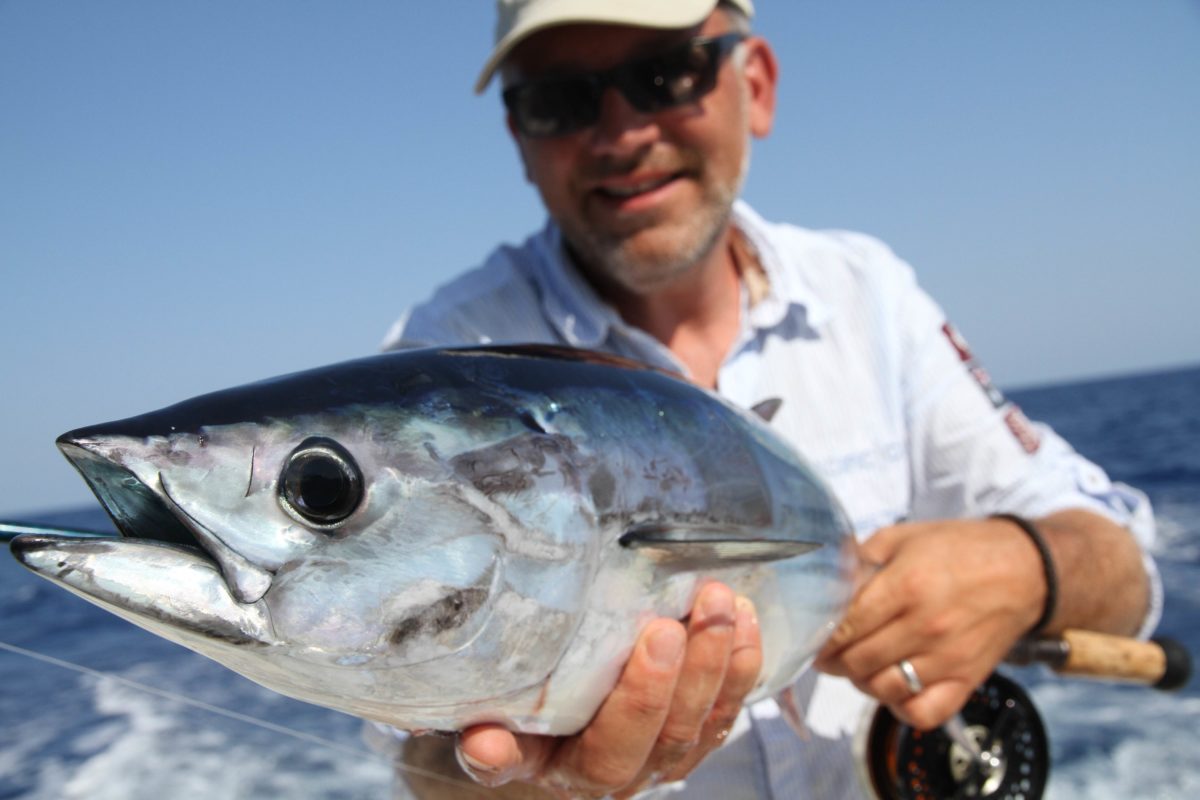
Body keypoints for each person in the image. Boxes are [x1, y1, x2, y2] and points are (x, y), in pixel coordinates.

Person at [373, 1, 1161, 797]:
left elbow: (1126, 575)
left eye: (667, 73)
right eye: (559, 99)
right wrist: (514, 780)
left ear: (758, 84)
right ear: (519, 138)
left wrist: (1025, 570)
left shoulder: (867, 295)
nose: (621, 135)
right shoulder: (441, 370)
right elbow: (410, 748)